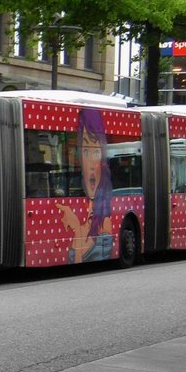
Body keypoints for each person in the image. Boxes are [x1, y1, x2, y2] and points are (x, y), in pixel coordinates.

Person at [58, 107, 114, 263]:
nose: (90, 164)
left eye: (96, 152)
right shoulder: (80, 197)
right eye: (85, 150)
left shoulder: (105, 221)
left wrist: (76, 230)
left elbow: (78, 263)